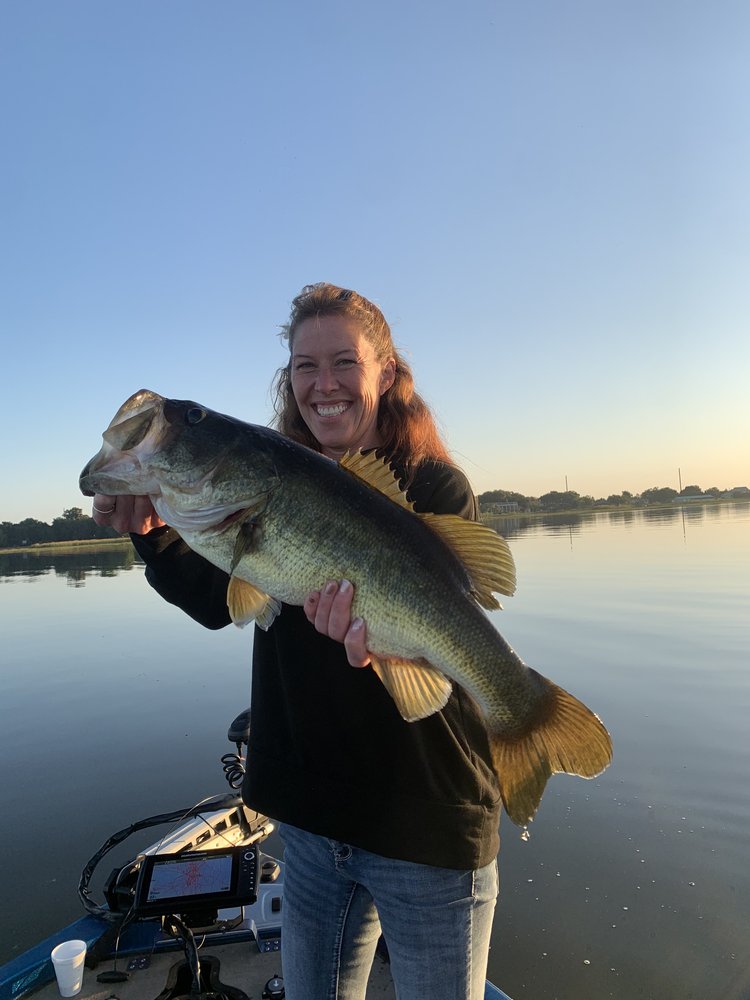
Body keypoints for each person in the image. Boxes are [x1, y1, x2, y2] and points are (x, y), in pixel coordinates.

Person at [91, 283, 501, 1000]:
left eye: (343, 361)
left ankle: (526, 716)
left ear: (384, 371)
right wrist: (152, 536)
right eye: (304, 368)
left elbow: (438, 634)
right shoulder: (267, 478)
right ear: (289, 381)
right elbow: (227, 601)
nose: (324, 384)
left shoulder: (434, 486)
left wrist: (380, 648)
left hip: (425, 827)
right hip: (314, 825)